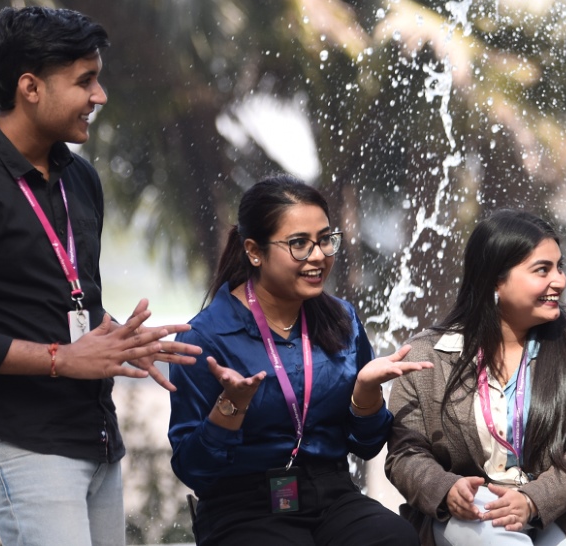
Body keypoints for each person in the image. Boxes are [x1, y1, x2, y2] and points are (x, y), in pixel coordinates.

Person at [0, 7, 200, 545]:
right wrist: (63, 359)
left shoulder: (80, 178)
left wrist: (121, 339)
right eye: (85, 80)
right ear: (30, 88)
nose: (100, 95)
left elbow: (64, 299)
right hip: (18, 441)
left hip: (95, 436)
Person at [166, 176, 426, 545]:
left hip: (332, 494)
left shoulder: (343, 320)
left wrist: (366, 395)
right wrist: (230, 408)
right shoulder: (204, 338)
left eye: (324, 239)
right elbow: (194, 471)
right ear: (254, 251)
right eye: (299, 244)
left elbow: (365, 445)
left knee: (394, 537)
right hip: (242, 506)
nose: (318, 255)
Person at [385, 210, 566, 546]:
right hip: (473, 511)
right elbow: (405, 453)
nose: (559, 280)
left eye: (559, 267)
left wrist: (533, 499)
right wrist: (445, 490)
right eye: (542, 270)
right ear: (495, 280)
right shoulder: (427, 355)